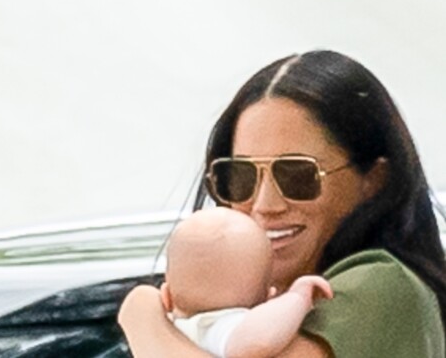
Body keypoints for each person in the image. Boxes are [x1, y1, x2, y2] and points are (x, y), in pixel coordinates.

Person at [118, 50, 446, 357]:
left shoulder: (380, 285)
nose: (264, 204)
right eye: (241, 176)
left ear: (373, 180)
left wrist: (143, 319)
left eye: (298, 175)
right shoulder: (255, 305)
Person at [162, 207, 333, 357]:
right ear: (268, 298)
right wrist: (297, 297)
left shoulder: (167, 330)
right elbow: (258, 343)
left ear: (166, 297)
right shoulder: (215, 326)